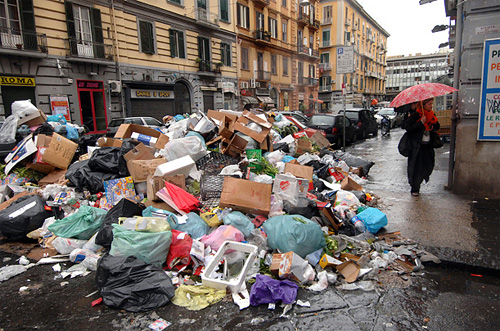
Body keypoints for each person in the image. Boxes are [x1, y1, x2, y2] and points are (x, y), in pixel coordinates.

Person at [402, 98, 440, 197]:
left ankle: (422, 179)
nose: (431, 106)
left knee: (428, 166)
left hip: (428, 146)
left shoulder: (432, 115)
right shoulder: (416, 115)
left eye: (432, 104)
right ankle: (415, 188)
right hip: (417, 147)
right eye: (429, 104)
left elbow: (437, 126)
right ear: (423, 105)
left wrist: (432, 125)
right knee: (416, 168)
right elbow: (408, 128)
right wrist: (421, 123)